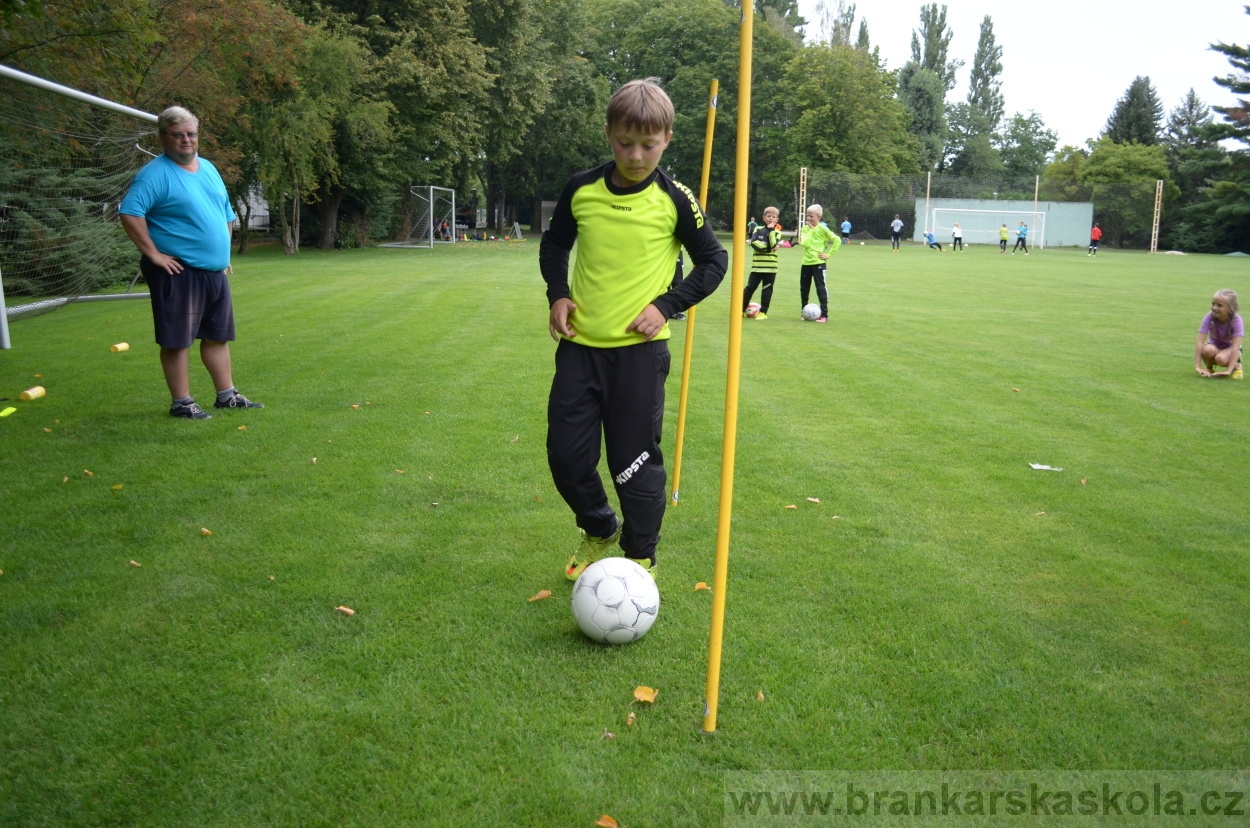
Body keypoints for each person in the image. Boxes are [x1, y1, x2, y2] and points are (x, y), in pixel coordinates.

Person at [540, 78, 727, 579]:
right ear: (608, 134)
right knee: (565, 457)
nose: (636, 155)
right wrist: (558, 292)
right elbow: (554, 245)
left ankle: (640, 557)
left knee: (634, 464)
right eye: (626, 142)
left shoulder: (674, 198)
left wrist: (666, 305)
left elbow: (713, 261)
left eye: (649, 144)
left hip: (641, 356)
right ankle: (600, 527)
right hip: (580, 350)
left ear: (667, 139)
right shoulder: (581, 188)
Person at [119, 106, 262, 419]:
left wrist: (222, 254)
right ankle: (181, 403)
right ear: (163, 138)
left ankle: (227, 396)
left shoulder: (208, 168)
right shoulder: (154, 175)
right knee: (177, 340)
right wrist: (154, 254)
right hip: (178, 270)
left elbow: (225, 212)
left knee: (217, 336)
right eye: (178, 135)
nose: (186, 140)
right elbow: (130, 213)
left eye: (191, 134)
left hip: (212, 271)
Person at [793, 203, 838, 322]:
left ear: (818, 217)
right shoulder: (805, 228)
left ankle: (824, 315)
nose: (808, 218)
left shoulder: (823, 228)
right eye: (807, 216)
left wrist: (828, 254)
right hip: (806, 262)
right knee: (804, 288)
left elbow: (837, 240)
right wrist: (811, 231)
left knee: (820, 288)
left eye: (811, 216)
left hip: (818, 263)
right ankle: (804, 312)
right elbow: (805, 243)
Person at [1195, 289, 1244, 380]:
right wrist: (1198, 366)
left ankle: (1237, 367)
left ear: (1230, 308)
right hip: (1215, 345)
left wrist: (1228, 370)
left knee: (1220, 359)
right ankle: (1209, 368)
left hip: (1231, 348)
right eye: (1213, 304)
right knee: (1207, 350)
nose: (1214, 307)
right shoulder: (1209, 317)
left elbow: (1235, 347)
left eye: (1219, 305)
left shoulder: (1236, 321)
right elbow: (1199, 343)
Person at [742, 206, 781, 319]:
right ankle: (740, 310)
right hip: (757, 267)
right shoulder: (757, 229)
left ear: (777, 220)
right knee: (749, 289)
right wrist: (769, 248)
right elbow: (754, 243)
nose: (771, 219)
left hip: (770, 267)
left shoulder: (777, 232)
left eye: (773, 217)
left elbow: (773, 244)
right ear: (764, 218)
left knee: (767, 290)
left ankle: (763, 313)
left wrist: (771, 231)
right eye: (768, 216)